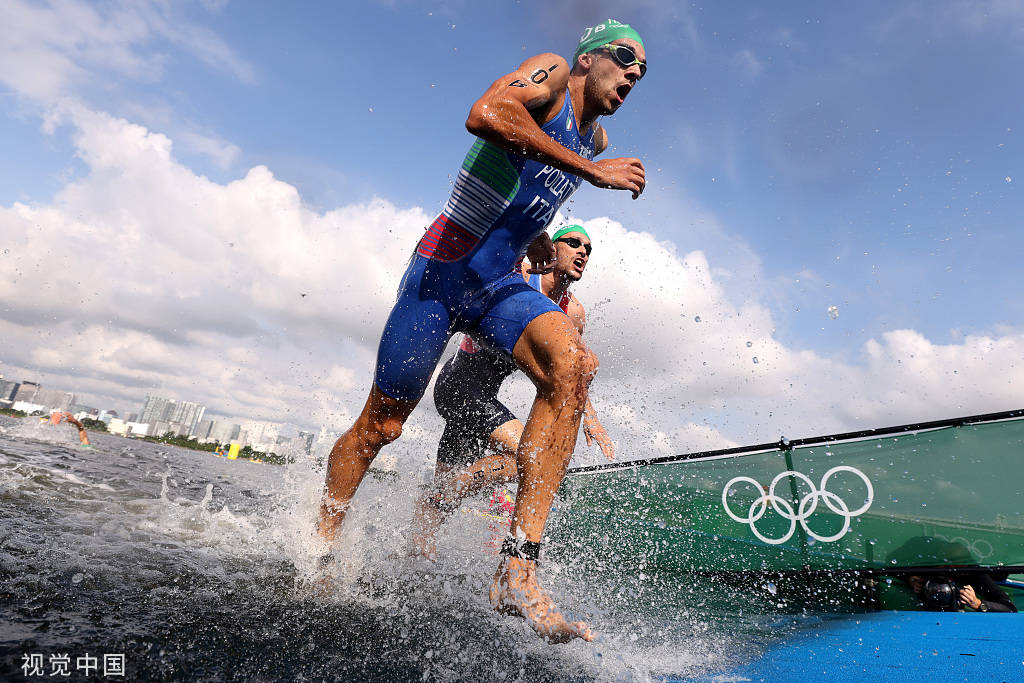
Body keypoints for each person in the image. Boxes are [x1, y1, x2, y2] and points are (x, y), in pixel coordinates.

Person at [317, 20, 647, 642]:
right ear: (587, 58)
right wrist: (591, 171)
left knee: (574, 366)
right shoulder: (549, 75)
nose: (633, 74)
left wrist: (543, 244)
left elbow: (527, 196)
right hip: (443, 270)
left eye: (643, 71)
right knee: (382, 425)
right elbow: (487, 113)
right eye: (626, 58)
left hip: (499, 281)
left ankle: (518, 568)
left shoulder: (594, 136)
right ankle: (323, 547)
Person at [411, 224, 614, 560]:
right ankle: (445, 498)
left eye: (589, 249)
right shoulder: (521, 274)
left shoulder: (572, 312)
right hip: (459, 387)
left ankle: (412, 563)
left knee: (436, 512)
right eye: (574, 243)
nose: (582, 252)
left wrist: (589, 418)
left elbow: (573, 372)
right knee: (529, 456)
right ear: (552, 246)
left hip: (483, 400)